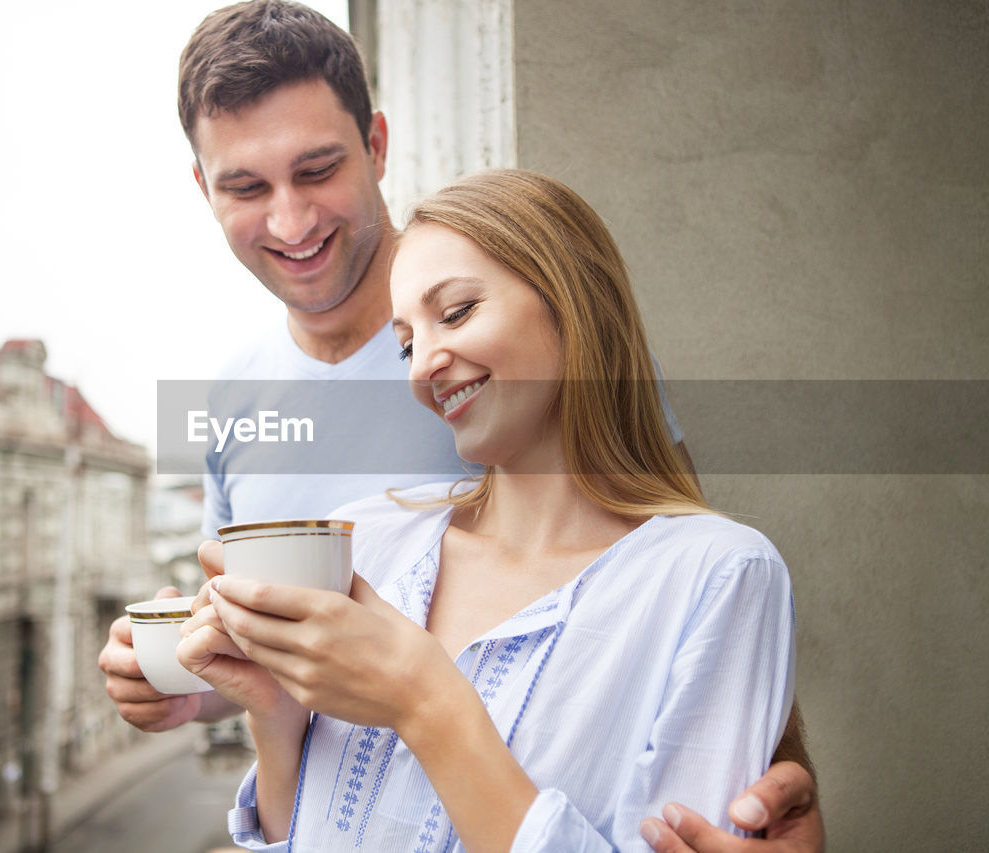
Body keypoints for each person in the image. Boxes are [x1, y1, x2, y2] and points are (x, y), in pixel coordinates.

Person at [97, 2, 823, 847]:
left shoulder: (548, 367)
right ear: (203, 189)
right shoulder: (217, 399)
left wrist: (769, 785)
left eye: (318, 169)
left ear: (376, 144)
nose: (291, 222)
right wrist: (197, 683)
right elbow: (280, 656)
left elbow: (682, 590)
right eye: (248, 187)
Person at [178, 168, 795, 851]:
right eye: (407, 342)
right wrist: (275, 715)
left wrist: (425, 698)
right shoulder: (370, 541)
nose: (421, 367)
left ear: (572, 300)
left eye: (458, 311)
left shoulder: (716, 576)